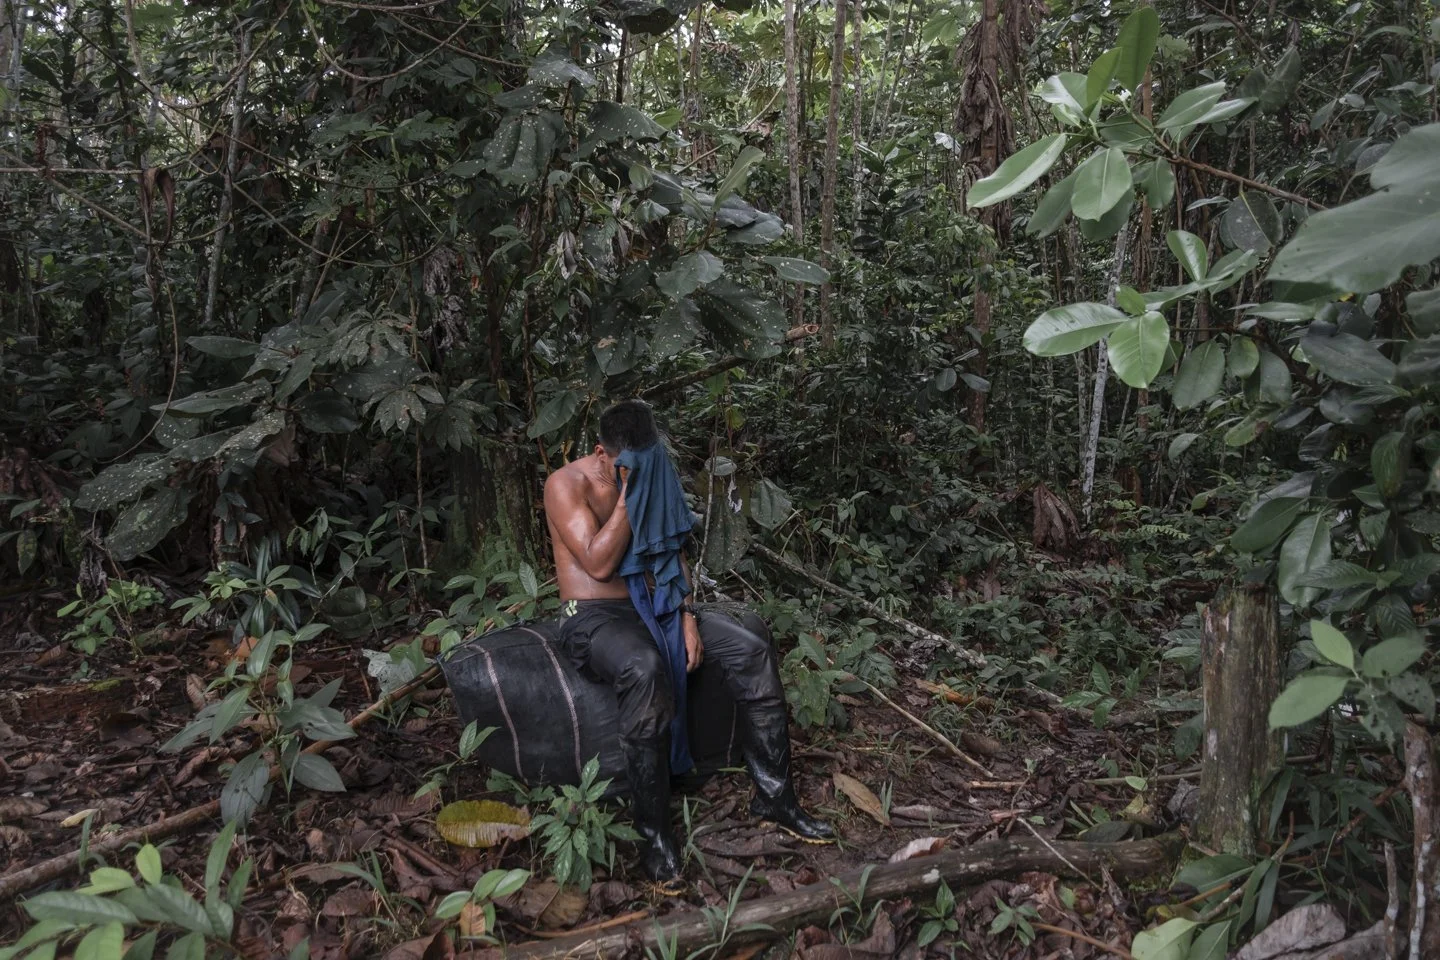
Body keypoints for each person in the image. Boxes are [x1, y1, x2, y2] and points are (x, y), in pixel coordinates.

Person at [543, 399, 832, 888]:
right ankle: (654, 836)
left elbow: (671, 553)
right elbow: (596, 563)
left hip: (656, 605)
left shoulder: (651, 469)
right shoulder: (564, 485)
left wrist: (687, 615)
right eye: (633, 466)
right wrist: (632, 494)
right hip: (592, 615)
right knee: (645, 667)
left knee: (752, 649)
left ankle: (774, 797)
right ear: (600, 453)